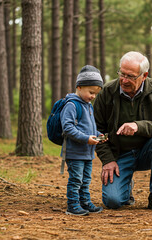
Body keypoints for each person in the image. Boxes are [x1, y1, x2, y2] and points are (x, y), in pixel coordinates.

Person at [94, 51, 152, 211]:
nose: (124, 80)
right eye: (122, 74)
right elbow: (97, 131)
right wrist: (108, 159)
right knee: (113, 201)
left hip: (148, 151)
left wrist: (138, 126)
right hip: (119, 155)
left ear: (144, 76)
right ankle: (126, 185)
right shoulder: (107, 92)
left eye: (130, 76)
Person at [61, 65, 106, 216]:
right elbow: (67, 128)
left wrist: (98, 135)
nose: (93, 96)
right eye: (91, 92)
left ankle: (84, 202)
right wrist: (86, 139)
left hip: (87, 152)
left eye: (96, 94)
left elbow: (89, 128)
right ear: (79, 87)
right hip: (75, 152)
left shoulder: (88, 106)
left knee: (85, 180)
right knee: (76, 179)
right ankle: (73, 205)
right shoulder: (72, 105)